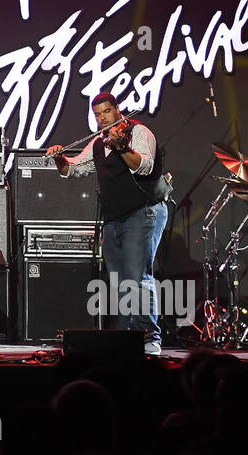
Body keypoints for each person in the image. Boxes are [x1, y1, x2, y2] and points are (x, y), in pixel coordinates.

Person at [46, 92, 170, 356]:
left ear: (117, 110)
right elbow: (74, 169)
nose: (102, 118)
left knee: (137, 277)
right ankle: (127, 337)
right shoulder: (98, 143)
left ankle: (150, 337)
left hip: (144, 211)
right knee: (119, 281)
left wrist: (121, 147)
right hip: (114, 218)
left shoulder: (138, 133)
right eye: (97, 114)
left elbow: (145, 167)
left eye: (106, 112)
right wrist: (60, 159)